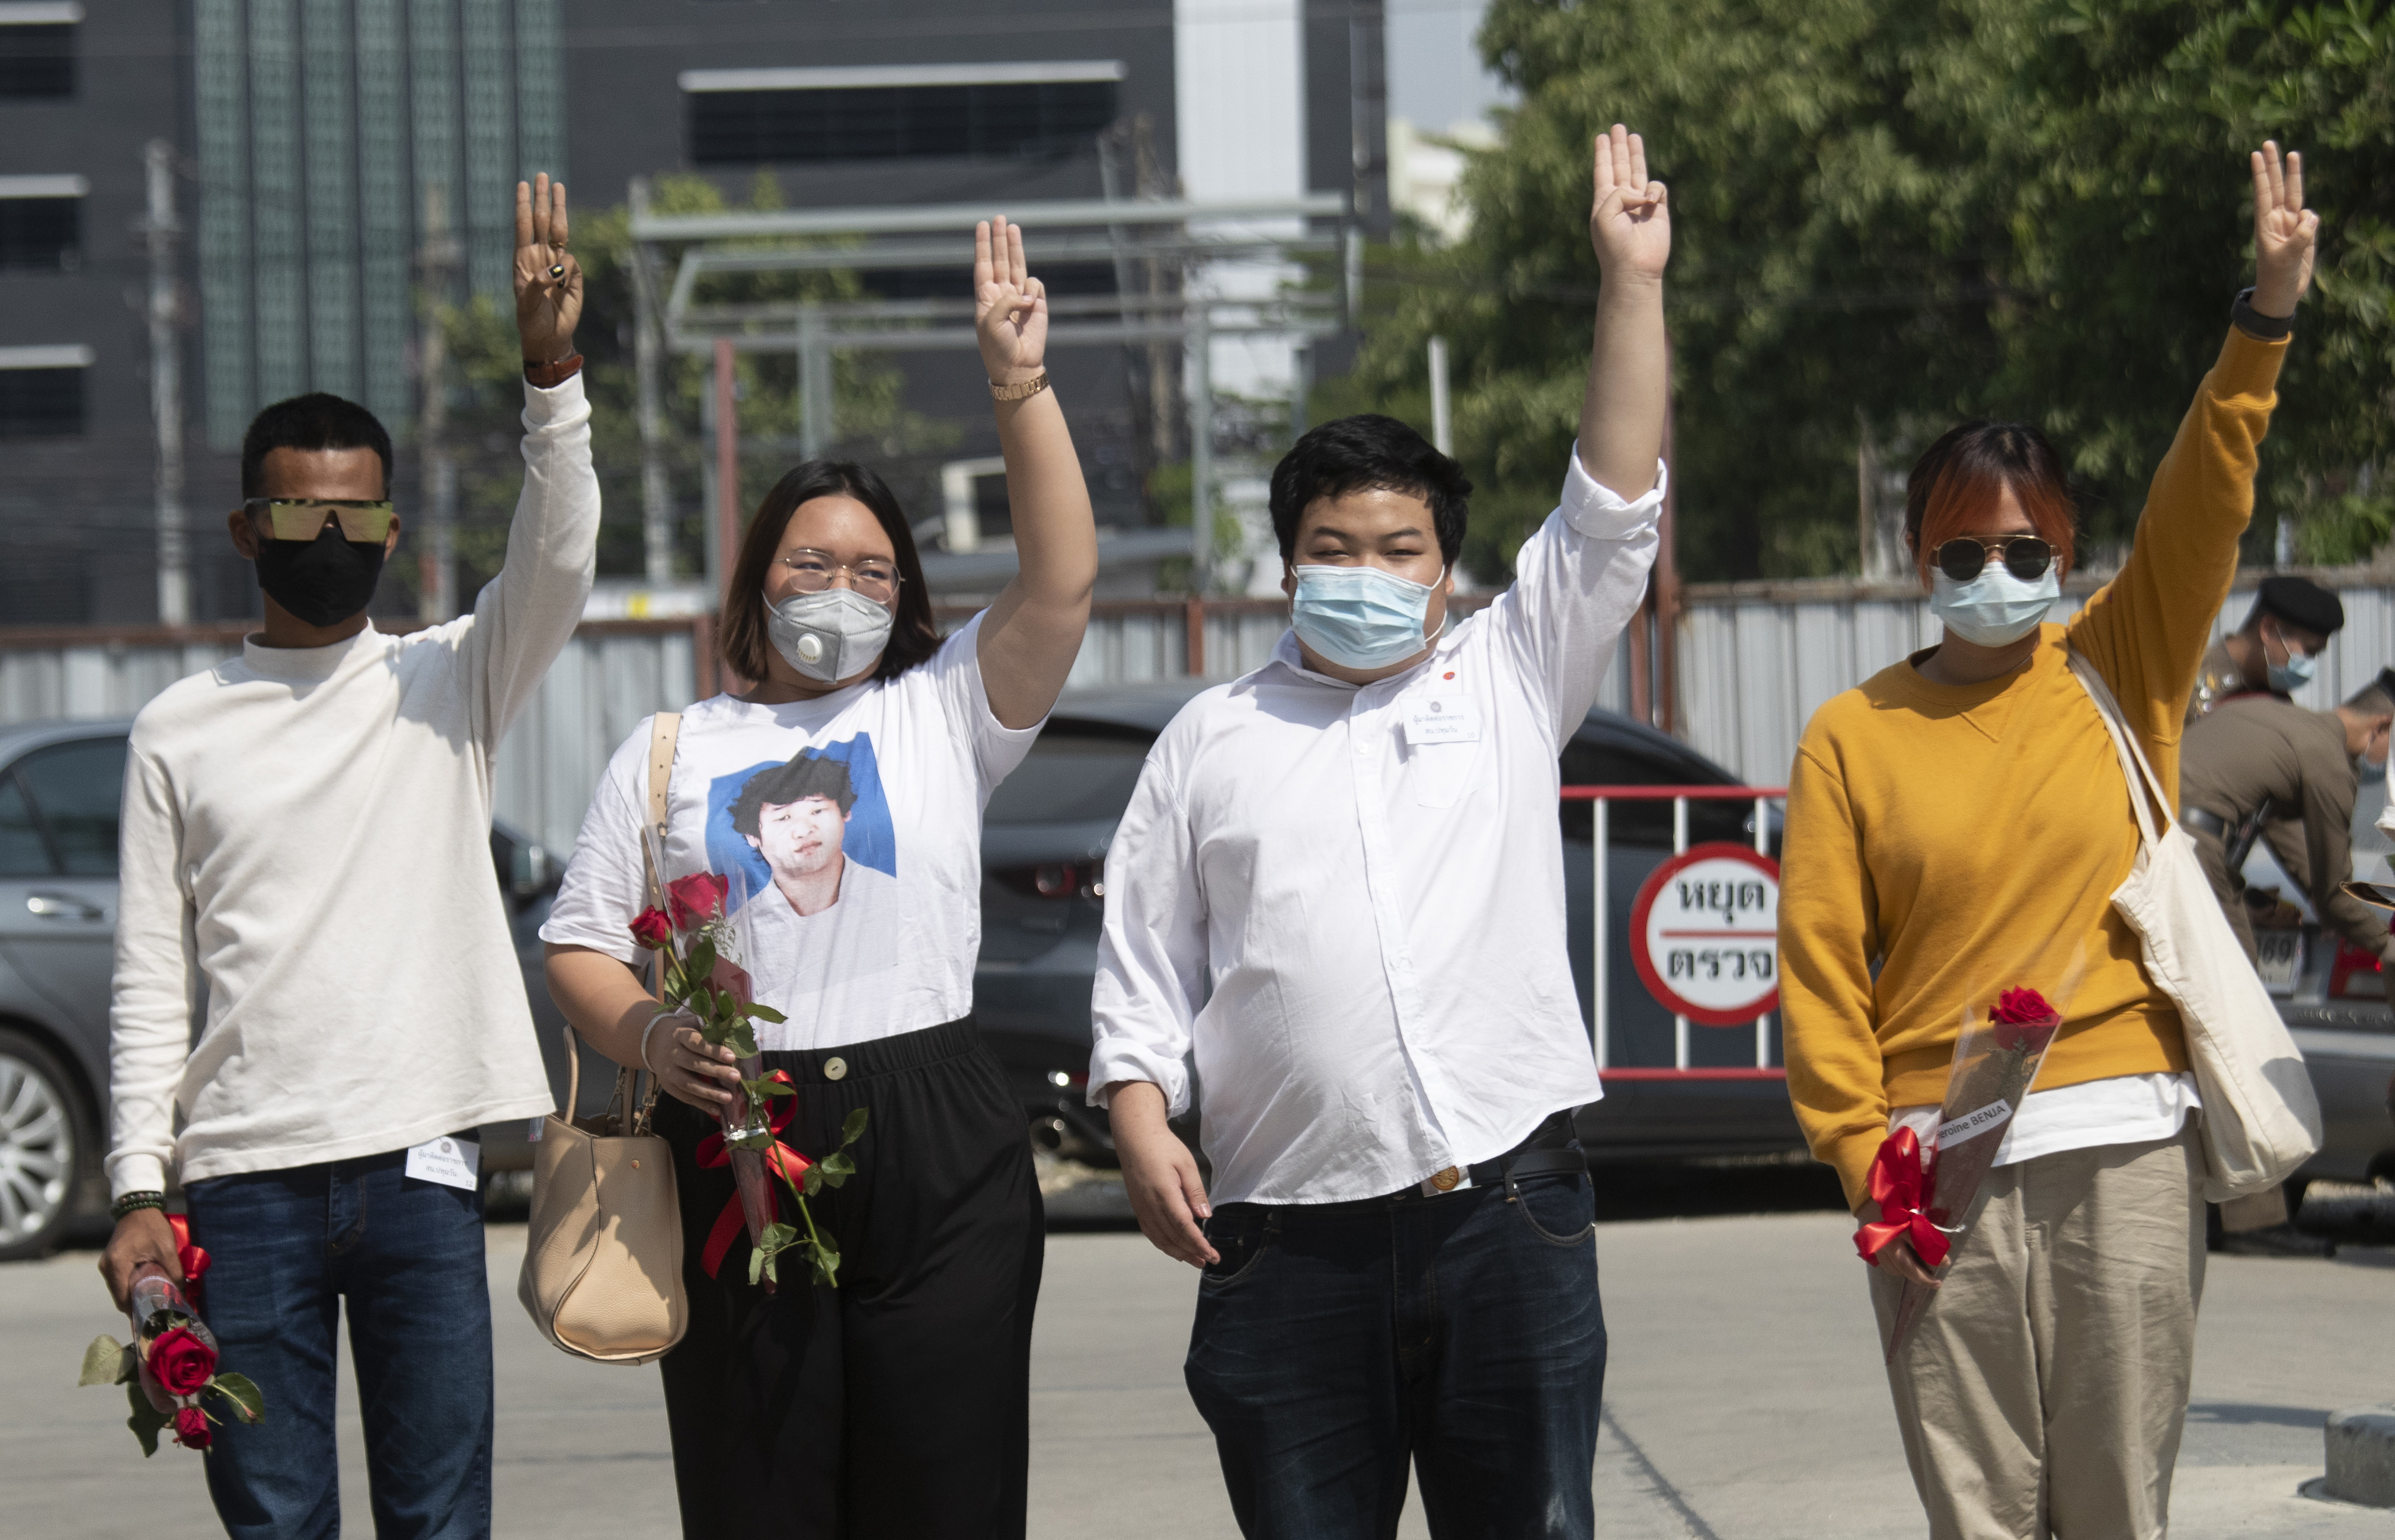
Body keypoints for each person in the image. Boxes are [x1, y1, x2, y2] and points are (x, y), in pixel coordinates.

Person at [1089, 125, 1670, 1540]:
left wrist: (1629, 283)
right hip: (1283, 1239)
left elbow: (1608, 507)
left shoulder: (1511, 666)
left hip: (1506, 1214)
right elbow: (1142, 970)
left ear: (1448, 568)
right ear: (1285, 562)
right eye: (1333, 549)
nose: (1365, 574)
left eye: (1398, 549)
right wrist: (1133, 1117)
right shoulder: (1208, 740)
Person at [1778, 143, 2319, 1539]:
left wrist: (2261, 318)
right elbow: (1822, 974)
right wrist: (1862, 1158)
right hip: (1930, 1164)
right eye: (1963, 555)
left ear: (2068, 551)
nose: (1996, 577)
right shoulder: (1853, 731)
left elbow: (2202, 500)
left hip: (2120, 1140)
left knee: (2114, 1509)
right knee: (1980, 1513)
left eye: (2025, 550)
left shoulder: (2114, 664)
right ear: (1917, 560)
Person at [539, 217, 1095, 1538]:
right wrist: (658, 1034)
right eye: (807, 560)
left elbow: (1061, 579)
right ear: (757, 576)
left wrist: (1017, 383)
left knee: (945, 1498)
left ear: (903, 596)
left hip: (936, 1129)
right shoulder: (671, 747)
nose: (833, 586)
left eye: (868, 568)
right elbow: (577, 946)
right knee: (760, 1498)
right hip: (738, 1135)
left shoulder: (941, 707)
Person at [99, 177, 593, 1538]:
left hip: (420, 1166)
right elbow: (148, 976)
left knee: (442, 1516)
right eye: (303, 517)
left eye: (358, 520)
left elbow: (558, 560)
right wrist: (140, 1187)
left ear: (391, 529)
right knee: (274, 1520)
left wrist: (553, 379)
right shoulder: (178, 730)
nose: (332, 541)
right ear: (247, 528)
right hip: (244, 1181)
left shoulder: (447, 678)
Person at [2183, 679, 2393, 967]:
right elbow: (2336, 899)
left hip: (2139, 821)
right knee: (2236, 980)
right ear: (2383, 726)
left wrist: (2312, 889)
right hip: (2194, 844)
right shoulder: (2330, 762)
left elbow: (2275, 822)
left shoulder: (2268, 713)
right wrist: (2386, 944)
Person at [2186, 572, 2342, 721]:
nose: (2309, 664)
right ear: (2268, 629)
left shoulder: (2277, 699)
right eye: (2309, 651)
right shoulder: (2189, 682)